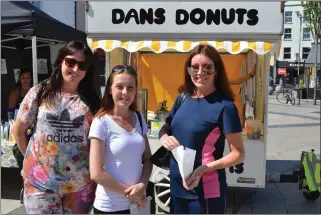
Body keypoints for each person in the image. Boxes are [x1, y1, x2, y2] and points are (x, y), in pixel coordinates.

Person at [12, 40, 101, 214]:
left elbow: (97, 140)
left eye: (82, 65)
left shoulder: (92, 99)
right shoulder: (40, 92)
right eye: (71, 62)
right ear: (60, 61)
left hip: (80, 187)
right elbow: (18, 130)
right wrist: (36, 161)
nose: (75, 70)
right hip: (40, 186)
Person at [159, 44, 245, 214]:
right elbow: (166, 127)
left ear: (216, 70)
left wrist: (204, 169)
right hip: (177, 187)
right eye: (195, 67)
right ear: (188, 70)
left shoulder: (225, 106)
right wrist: (163, 137)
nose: (200, 72)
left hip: (206, 192)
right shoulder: (182, 98)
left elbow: (239, 154)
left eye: (207, 67)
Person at [89, 65, 153, 214]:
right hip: (110, 206)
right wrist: (132, 194)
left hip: (138, 205)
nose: (125, 92)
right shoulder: (101, 122)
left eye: (130, 87)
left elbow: (148, 159)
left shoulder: (139, 118)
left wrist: (143, 185)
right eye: (119, 87)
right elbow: (96, 173)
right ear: (110, 90)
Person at [177, 64, 256, 93]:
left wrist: (251, 74)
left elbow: (237, 81)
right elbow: (181, 89)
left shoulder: (218, 82)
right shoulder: (195, 82)